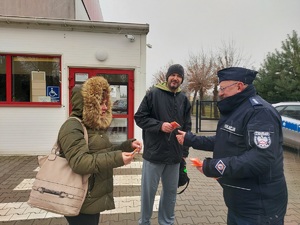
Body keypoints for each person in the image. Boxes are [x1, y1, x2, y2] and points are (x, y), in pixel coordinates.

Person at [176, 67, 288, 225]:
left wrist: (214, 167)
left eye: (223, 88)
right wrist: (190, 139)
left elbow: (260, 158)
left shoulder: (259, 113)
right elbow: (223, 140)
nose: (220, 93)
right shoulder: (238, 110)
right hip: (240, 201)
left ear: (239, 86)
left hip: (258, 206)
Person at [57, 76, 142, 225]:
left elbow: (104, 152)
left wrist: (127, 146)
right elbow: (80, 162)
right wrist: (118, 158)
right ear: (87, 104)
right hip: (80, 198)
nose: (104, 108)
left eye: (105, 103)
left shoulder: (93, 127)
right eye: (100, 103)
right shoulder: (72, 126)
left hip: (91, 198)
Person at [134, 64, 192, 225]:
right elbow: (139, 117)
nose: (175, 78)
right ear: (167, 77)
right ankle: (144, 221)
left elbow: (187, 127)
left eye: (178, 76)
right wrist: (160, 126)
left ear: (181, 79)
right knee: (148, 193)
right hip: (154, 154)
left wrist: (184, 152)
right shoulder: (153, 94)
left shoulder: (184, 99)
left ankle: (166, 222)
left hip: (174, 156)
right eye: (172, 75)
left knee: (170, 193)